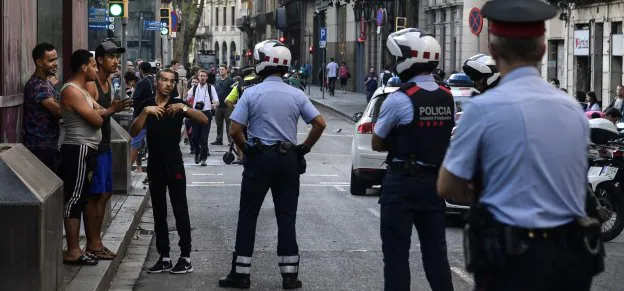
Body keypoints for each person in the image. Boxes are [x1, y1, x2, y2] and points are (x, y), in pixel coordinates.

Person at [437, 0, 604, 289]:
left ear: (493, 50)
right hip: (570, 258)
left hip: (511, 261)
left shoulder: (481, 110)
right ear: (541, 50)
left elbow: (447, 187)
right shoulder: (572, 110)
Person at [218, 39, 326, 289]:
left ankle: (241, 274)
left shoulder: (251, 93)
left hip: (259, 158)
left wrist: (245, 150)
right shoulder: (297, 94)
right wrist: (304, 149)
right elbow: (319, 123)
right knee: (286, 217)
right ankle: (290, 276)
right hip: (288, 160)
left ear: (263, 63)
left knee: (248, 215)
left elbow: (235, 129)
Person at [371, 28, 455, 291]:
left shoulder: (399, 99)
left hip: (402, 184)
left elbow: (376, 142)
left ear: (408, 60)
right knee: (436, 256)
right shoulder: (448, 97)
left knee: (396, 256)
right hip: (435, 184)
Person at [130, 69, 208, 274]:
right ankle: (164, 257)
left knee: (180, 207)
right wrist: (146, 112)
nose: (167, 84)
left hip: (174, 163)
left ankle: (185, 257)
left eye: (171, 81)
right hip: (155, 162)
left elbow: (203, 119)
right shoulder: (146, 104)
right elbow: (133, 131)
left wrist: (184, 108)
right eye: (164, 80)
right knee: (158, 210)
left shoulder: (177, 104)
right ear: (156, 82)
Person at [83, 41, 133, 261]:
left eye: (117, 58)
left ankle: (97, 242)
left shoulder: (109, 83)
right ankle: (93, 244)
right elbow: (93, 115)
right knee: (94, 196)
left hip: (105, 144)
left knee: (105, 194)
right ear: (100, 60)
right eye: (111, 57)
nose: (116, 62)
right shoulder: (92, 85)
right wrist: (113, 108)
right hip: (93, 146)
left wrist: (114, 108)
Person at [59, 49, 103, 266]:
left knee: (81, 197)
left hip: (87, 149)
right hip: (78, 149)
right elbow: (96, 119)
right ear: (84, 67)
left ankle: (76, 249)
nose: (96, 69)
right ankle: (73, 251)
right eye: (94, 65)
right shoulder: (71, 91)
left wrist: (108, 109)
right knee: (74, 199)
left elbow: (100, 111)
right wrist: (102, 113)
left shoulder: (82, 90)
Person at [23, 43, 61, 172]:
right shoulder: (37, 85)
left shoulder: (46, 82)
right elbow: (58, 111)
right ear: (39, 62)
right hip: (40, 147)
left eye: (55, 59)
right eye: (51, 60)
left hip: (49, 145)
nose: (55, 63)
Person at [225, 66, 262, 165]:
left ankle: (241, 157)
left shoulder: (239, 85)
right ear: (253, 73)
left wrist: (237, 110)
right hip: (258, 115)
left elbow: (228, 101)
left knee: (239, 134)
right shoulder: (260, 82)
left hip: (244, 116)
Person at [130, 62, 155, 183]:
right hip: (155, 117)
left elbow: (135, 100)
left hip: (141, 117)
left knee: (135, 144)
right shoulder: (156, 81)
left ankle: (126, 170)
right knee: (152, 147)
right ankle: (152, 174)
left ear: (141, 70)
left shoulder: (142, 82)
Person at [188, 70, 218, 166]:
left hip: (206, 114)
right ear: (198, 77)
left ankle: (204, 158)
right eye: (201, 76)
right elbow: (186, 98)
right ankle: (197, 153)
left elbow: (216, 100)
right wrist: (184, 87)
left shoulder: (210, 88)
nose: (202, 77)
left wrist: (215, 104)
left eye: (204, 76)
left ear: (207, 77)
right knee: (194, 137)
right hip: (196, 114)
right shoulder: (194, 88)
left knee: (204, 138)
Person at [212, 64, 235, 146]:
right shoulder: (217, 80)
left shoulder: (231, 81)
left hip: (227, 107)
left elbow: (235, 92)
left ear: (226, 70)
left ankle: (230, 141)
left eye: (223, 69)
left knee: (229, 124)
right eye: (220, 69)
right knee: (218, 124)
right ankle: (219, 139)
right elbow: (214, 92)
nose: (221, 71)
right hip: (218, 106)